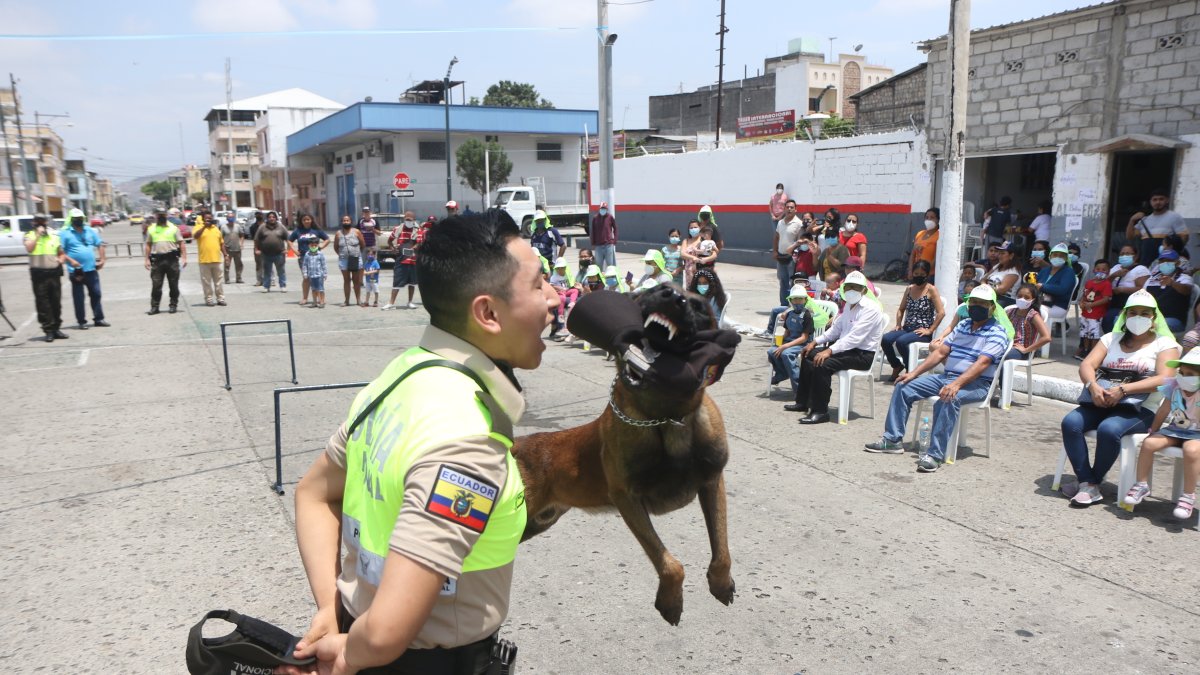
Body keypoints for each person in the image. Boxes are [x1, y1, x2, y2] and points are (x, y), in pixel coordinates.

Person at [281, 210, 556, 674]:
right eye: (538, 285)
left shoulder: (403, 373)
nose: (554, 298)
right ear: (488, 313)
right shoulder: (466, 438)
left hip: (360, 632)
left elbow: (314, 493)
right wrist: (348, 654)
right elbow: (387, 632)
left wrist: (332, 610)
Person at [864, 285, 1013, 472]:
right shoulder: (963, 325)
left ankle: (935, 454)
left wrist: (956, 384)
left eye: (982, 303)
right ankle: (893, 439)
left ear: (992, 307)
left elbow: (982, 364)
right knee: (904, 386)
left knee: (949, 397)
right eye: (973, 302)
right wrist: (914, 373)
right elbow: (941, 352)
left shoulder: (998, 332)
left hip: (977, 384)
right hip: (947, 377)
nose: (977, 306)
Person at [1060, 290, 1179, 506]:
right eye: (1132, 313)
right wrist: (1092, 386)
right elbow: (1087, 364)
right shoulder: (1110, 339)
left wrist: (1124, 390)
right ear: (1125, 316)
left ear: (1154, 317)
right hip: (1102, 401)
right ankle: (1088, 482)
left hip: (1141, 409)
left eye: (1145, 313)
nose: (1138, 317)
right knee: (1071, 422)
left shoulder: (1165, 345)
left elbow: (1165, 378)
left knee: (1109, 429)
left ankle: (1091, 483)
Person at [786, 271, 886, 424]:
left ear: (864, 290)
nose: (851, 290)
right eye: (849, 287)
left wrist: (829, 351)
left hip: (862, 354)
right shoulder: (849, 306)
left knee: (822, 363)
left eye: (856, 287)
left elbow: (854, 338)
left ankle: (820, 411)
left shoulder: (871, 309)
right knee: (808, 353)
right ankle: (803, 402)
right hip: (846, 349)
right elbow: (836, 329)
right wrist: (815, 342)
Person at [1123, 348, 1200, 520]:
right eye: (1182, 372)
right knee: (1149, 443)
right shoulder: (1175, 388)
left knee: (1192, 450)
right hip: (1175, 430)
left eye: (1190, 374)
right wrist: (1153, 430)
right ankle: (1141, 484)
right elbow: (1164, 410)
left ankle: (1188, 496)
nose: (1183, 377)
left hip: (1197, 435)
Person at [881, 260, 946, 381]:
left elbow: (941, 313)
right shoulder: (910, 289)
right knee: (886, 339)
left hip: (922, 331)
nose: (918, 277)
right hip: (907, 328)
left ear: (927, 274)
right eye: (916, 274)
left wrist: (930, 330)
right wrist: (898, 324)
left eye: (922, 274)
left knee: (901, 342)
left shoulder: (931, 290)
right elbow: (901, 309)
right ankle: (896, 365)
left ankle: (910, 370)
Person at [996, 283, 1052, 396]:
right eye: (1019, 296)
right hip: (1006, 345)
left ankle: (1005, 393)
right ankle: (987, 386)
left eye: (1026, 297)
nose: (1022, 299)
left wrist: (1026, 350)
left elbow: (1047, 337)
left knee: (1004, 358)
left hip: (1020, 350)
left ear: (1033, 300)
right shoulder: (1010, 311)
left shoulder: (1033, 315)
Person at [59, 208, 109, 329]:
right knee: (79, 297)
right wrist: (71, 261)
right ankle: (81, 321)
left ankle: (99, 318)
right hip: (76, 271)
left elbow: (100, 244)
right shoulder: (65, 233)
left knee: (96, 294)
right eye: (76, 219)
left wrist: (102, 260)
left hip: (91, 269)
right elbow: (60, 251)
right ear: (71, 220)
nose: (79, 221)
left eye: (80, 218)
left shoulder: (90, 231)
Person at [24, 214, 70, 341]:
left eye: (42, 221)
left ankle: (56, 328)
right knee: (43, 304)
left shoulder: (54, 235)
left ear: (46, 221)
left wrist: (60, 260)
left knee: (56, 303)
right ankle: (48, 330)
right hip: (39, 275)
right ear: (33, 223)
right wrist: (38, 235)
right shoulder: (29, 235)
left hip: (54, 274)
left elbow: (61, 253)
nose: (40, 223)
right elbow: (29, 248)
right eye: (37, 221)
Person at [768, 284, 815, 396]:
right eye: (795, 299)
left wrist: (785, 346)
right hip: (790, 341)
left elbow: (804, 337)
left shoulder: (807, 315)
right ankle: (782, 373)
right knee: (771, 351)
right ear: (791, 300)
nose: (797, 302)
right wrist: (780, 340)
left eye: (800, 299)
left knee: (786, 354)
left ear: (805, 300)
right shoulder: (789, 313)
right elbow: (787, 332)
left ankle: (799, 389)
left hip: (802, 344)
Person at [1126, 188, 1188, 267]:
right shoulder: (1145, 220)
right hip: (1146, 263)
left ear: (1167, 200)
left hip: (1166, 262)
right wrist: (1132, 220)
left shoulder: (1174, 217)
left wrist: (1173, 253)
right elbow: (1129, 236)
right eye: (1154, 200)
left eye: (1161, 199)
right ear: (1150, 202)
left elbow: (1184, 237)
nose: (1158, 202)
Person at [143, 208, 187, 315]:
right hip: (157, 261)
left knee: (173, 284)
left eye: (163, 215)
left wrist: (184, 258)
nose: (161, 217)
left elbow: (181, 243)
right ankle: (155, 307)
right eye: (159, 215)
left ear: (167, 215)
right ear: (156, 216)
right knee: (156, 285)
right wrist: (146, 259)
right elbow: (148, 245)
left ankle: (173, 305)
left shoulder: (173, 228)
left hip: (172, 260)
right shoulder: (152, 228)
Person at [1103, 244, 1151, 331]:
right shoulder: (1116, 267)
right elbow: (1103, 284)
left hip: (1129, 301)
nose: (1124, 256)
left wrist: (1122, 290)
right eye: (1122, 254)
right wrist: (1114, 275)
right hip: (1112, 300)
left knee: (1111, 319)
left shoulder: (1140, 269)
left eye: (1128, 254)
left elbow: (1142, 289)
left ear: (1135, 256)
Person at [1143, 249, 1193, 331]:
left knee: (1153, 326)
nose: (1165, 263)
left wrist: (1172, 283)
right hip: (1151, 317)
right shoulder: (1151, 280)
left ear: (1177, 263)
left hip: (1173, 320)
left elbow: (1186, 290)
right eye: (1162, 261)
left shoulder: (1184, 278)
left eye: (1169, 260)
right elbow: (1142, 296)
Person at [383, 213, 424, 310]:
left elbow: (419, 243)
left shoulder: (418, 230)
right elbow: (390, 241)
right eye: (407, 219)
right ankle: (391, 303)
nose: (408, 222)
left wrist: (411, 249)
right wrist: (392, 248)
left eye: (410, 220)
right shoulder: (398, 229)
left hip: (413, 260)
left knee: (412, 282)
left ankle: (410, 302)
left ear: (414, 220)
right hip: (401, 260)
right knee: (396, 281)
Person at [290, 213, 330, 307]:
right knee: (306, 278)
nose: (306, 221)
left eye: (308, 219)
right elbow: (289, 240)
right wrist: (294, 250)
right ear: (301, 221)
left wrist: (321, 246)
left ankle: (320, 299)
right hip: (304, 257)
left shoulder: (316, 230)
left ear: (311, 220)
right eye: (304, 220)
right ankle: (305, 298)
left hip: (316, 256)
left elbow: (327, 239)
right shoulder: (298, 231)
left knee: (318, 278)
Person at [1076, 259, 1112, 359]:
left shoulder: (1106, 284)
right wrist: (1081, 302)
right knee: (1085, 333)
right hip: (1085, 314)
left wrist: (1092, 305)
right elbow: (1084, 295)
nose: (1100, 271)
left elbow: (1106, 299)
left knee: (1094, 334)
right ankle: (1086, 350)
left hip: (1096, 315)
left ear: (1108, 272)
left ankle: (1093, 352)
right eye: (1098, 269)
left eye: (1104, 270)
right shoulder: (1089, 283)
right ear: (1094, 270)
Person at [193, 212, 228, 307]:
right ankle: (209, 299)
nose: (209, 220)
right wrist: (204, 227)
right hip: (204, 260)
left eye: (210, 218)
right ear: (203, 219)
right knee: (206, 282)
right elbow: (195, 236)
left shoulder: (216, 229)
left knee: (219, 281)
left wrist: (225, 254)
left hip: (217, 260)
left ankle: (220, 298)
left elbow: (221, 243)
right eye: (207, 219)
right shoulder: (198, 227)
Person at [773, 199, 803, 305]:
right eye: (787, 207)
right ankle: (783, 305)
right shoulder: (780, 222)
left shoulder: (799, 223)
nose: (789, 209)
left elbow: (800, 241)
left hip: (792, 258)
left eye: (792, 207)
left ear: (796, 209)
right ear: (784, 208)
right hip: (780, 257)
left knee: (792, 282)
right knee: (783, 282)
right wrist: (775, 251)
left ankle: (792, 305)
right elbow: (776, 237)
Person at [1036, 243, 1075, 322]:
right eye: (1055, 255)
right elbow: (1035, 283)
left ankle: (1041, 333)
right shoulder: (1045, 270)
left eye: (1061, 256)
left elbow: (1062, 289)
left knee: (1033, 311)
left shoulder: (1068, 272)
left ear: (1066, 258)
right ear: (1050, 256)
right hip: (1041, 302)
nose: (1058, 257)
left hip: (1058, 306)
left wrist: (1042, 286)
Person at [334, 214, 366, 307]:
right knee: (346, 280)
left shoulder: (357, 232)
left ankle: (358, 300)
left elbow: (362, 244)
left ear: (351, 222)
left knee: (356, 280)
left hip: (355, 259)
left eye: (347, 220)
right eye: (344, 220)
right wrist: (342, 254)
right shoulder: (338, 233)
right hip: (343, 260)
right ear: (342, 222)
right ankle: (346, 301)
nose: (346, 222)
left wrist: (356, 253)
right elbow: (336, 247)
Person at [985, 242, 1021, 307]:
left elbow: (1001, 290)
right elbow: (983, 279)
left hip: (1005, 300)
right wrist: (986, 286)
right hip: (991, 296)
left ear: (1011, 255)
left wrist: (984, 286)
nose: (999, 256)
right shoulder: (997, 266)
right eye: (999, 253)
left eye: (1003, 253)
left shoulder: (1013, 271)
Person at [909, 208, 940, 279]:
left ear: (938, 220)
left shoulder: (939, 236)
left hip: (930, 274)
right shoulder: (920, 234)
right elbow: (912, 255)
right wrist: (911, 270)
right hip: (916, 273)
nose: (929, 219)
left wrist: (925, 272)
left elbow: (936, 259)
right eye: (927, 217)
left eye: (932, 218)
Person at [590, 201, 618, 271]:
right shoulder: (595, 218)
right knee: (598, 265)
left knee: (611, 265)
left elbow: (615, 228)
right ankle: (599, 280)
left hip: (608, 245)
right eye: (602, 208)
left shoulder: (610, 217)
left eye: (604, 208)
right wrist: (593, 242)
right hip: (598, 246)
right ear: (599, 209)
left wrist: (614, 240)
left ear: (607, 209)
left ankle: (613, 279)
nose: (603, 210)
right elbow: (593, 230)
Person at [301, 242, 328, 308]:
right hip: (311, 275)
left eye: (315, 245)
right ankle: (314, 302)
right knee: (313, 289)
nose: (313, 247)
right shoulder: (307, 254)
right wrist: (305, 273)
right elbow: (305, 265)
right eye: (312, 245)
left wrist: (325, 274)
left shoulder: (320, 254)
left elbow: (324, 264)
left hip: (319, 275)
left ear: (318, 245)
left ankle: (322, 301)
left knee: (321, 289)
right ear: (309, 245)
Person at [221, 214, 246, 283]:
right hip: (228, 249)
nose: (231, 218)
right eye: (229, 217)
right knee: (227, 264)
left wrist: (241, 243)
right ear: (227, 218)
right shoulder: (223, 227)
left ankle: (238, 278)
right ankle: (227, 279)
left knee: (239, 264)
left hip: (237, 249)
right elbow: (220, 238)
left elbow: (242, 235)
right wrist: (222, 247)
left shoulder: (237, 226)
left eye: (232, 217)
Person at [680, 220, 704, 288]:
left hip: (700, 270)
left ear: (700, 228)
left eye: (695, 227)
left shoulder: (703, 240)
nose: (693, 229)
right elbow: (682, 254)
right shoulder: (686, 241)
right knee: (690, 291)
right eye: (691, 228)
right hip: (688, 273)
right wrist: (693, 258)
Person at [248, 211, 265, 285]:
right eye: (257, 214)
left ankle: (270, 280)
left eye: (260, 214)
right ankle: (259, 280)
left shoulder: (267, 225)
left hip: (267, 247)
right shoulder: (252, 227)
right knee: (258, 264)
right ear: (255, 216)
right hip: (258, 247)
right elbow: (253, 238)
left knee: (268, 264)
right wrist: (256, 248)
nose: (259, 216)